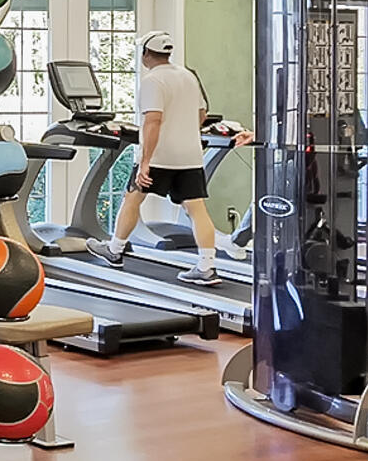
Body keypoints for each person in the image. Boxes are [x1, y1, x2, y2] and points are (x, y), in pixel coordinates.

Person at [86, 31, 249, 287]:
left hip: (159, 156)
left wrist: (145, 161)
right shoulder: (187, 76)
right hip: (190, 155)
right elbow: (201, 114)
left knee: (133, 198)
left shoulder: (152, 80)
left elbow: (153, 121)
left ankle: (115, 250)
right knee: (196, 209)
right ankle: (206, 266)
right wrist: (184, 132)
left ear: (145, 54)